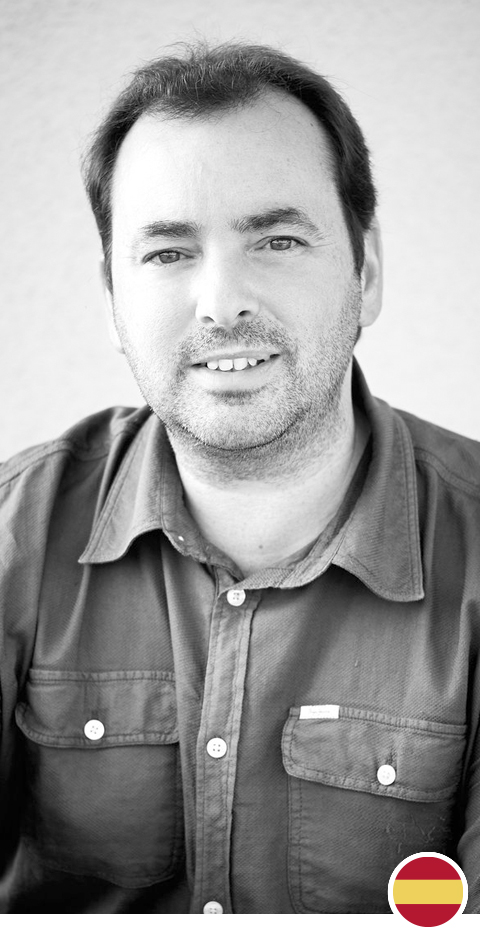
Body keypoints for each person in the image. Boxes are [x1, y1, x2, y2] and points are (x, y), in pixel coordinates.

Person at [0, 41, 479, 916]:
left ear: (367, 273)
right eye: (167, 253)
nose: (222, 302)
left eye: (278, 240)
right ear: (111, 298)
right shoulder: (12, 532)